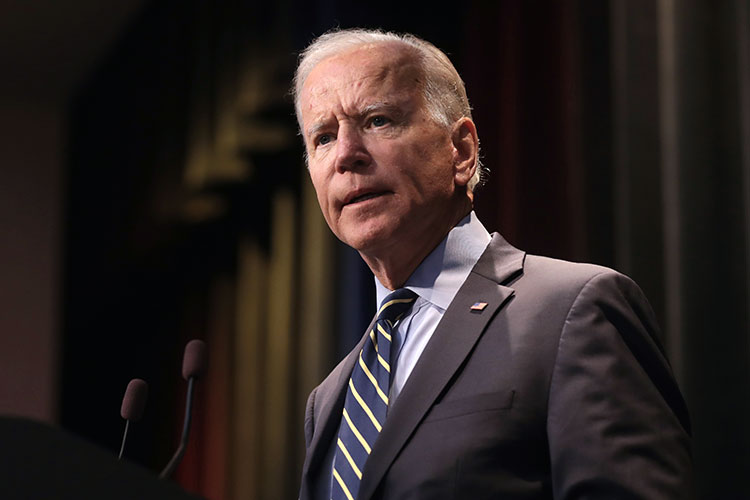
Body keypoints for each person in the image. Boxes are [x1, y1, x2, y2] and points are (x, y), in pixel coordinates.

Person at [293, 28, 693, 500]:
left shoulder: (572, 311)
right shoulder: (332, 397)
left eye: (377, 120)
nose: (345, 155)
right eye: (323, 137)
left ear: (461, 150)